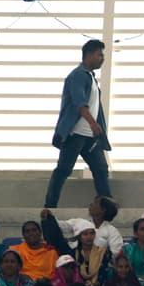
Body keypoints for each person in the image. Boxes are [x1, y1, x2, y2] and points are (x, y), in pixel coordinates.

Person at [46, 39, 111, 207]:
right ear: (89, 55)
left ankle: (107, 204)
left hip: (90, 136)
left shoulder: (90, 77)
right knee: (63, 170)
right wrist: (93, 124)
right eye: (99, 54)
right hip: (75, 134)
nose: (102, 58)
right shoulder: (78, 76)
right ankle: (50, 206)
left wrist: (96, 128)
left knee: (101, 169)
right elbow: (79, 104)